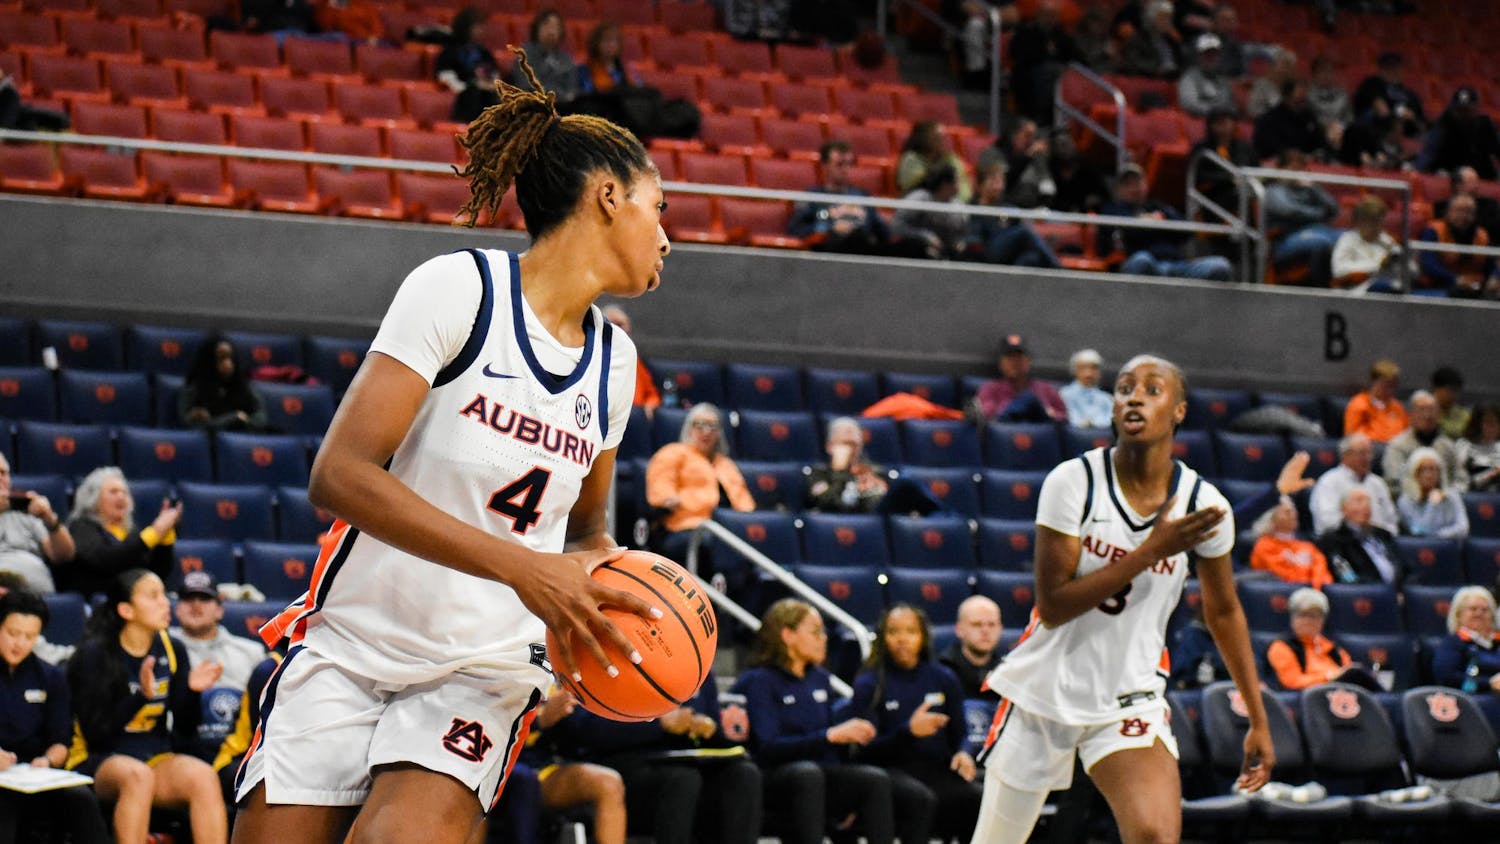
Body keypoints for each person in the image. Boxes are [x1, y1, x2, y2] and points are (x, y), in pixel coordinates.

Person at [229, 53, 667, 844]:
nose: (667, 238)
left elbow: (584, 535)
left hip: (485, 665)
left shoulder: (616, 362)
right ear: (608, 196)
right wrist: (522, 566)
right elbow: (339, 476)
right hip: (355, 639)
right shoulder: (459, 289)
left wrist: (618, 620)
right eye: (657, 209)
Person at [971, 355, 1273, 844]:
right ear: (1113, 409)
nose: (1134, 396)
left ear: (1178, 411)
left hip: (1128, 695)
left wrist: (1258, 719)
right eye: (1125, 388)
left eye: (1153, 390)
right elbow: (1054, 605)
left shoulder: (1204, 504)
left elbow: (1223, 611)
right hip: (1045, 689)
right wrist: (1152, 549)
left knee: (1155, 835)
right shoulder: (1073, 482)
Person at [66, 568, 227, 844]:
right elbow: (96, 734)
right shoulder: (95, 654)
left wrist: (192, 692)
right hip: (94, 758)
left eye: (164, 595)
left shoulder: (172, 648)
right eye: (153, 597)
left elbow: (185, 730)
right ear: (126, 610)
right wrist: (140, 697)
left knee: (204, 777)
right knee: (137, 777)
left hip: (153, 755)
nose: (165, 603)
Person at [730, 599, 896, 844]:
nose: (824, 638)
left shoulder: (820, 678)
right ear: (788, 635)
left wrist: (848, 798)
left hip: (818, 772)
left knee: (873, 780)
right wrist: (829, 736)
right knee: (808, 774)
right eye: (815, 631)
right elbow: (768, 747)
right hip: (773, 775)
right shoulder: (758, 681)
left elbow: (831, 752)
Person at [541, 672, 762, 844]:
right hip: (625, 761)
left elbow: (714, 728)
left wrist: (708, 729)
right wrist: (659, 725)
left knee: (744, 774)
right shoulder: (608, 657)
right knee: (683, 779)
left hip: (686, 760)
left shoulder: (697, 662)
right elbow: (584, 729)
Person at [849, 604, 982, 844]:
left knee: (977, 796)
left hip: (936, 769)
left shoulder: (944, 678)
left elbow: (961, 734)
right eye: (893, 632)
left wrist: (964, 753)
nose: (902, 639)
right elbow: (866, 751)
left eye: (910, 631)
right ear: (883, 637)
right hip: (890, 770)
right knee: (921, 799)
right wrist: (908, 732)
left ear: (923, 636)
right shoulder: (870, 683)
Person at [0, 589, 110, 844]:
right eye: (12, 633)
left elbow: (61, 741)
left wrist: (48, 761)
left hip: (34, 776)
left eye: (29, 636)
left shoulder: (50, 677)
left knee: (81, 799)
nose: (19, 643)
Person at [168, 571, 268, 763]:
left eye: (205, 598)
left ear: (220, 610)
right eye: (188, 598)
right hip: (181, 750)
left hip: (241, 751)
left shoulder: (252, 652)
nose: (196, 605)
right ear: (177, 609)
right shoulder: (162, 649)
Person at [645, 403, 755, 562]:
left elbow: (745, 503)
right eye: (700, 425)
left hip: (728, 529)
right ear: (689, 428)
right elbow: (661, 493)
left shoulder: (726, 464)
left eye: (712, 426)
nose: (706, 431)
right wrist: (667, 499)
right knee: (719, 543)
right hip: (686, 528)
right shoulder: (673, 453)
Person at [1097, 163, 1233, 281]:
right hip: (1147, 265)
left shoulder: (1159, 207)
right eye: (1128, 184)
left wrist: (1158, 220)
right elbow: (1122, 232)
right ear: (1119, 189)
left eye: (1137, 182)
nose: (1134, 188)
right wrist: (1147, 222)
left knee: (1220, 266)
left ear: (1145, 185)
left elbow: (1186, 231)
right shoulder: (1113, 209)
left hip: (1177, 265)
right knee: (1141, 260)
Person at [787, 140, 921, 258]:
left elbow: (882, 232)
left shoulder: (862, 196)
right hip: (830, 248)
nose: (845, 169)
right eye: (839, 164)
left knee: (915, 246)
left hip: (864, 246)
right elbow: (796, 230)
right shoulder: (812, 196)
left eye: (848, 164)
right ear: (825, 166)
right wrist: (829, 222)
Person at [64, 467, 179, 597]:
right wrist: (154, 533)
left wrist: (165, 536)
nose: (121, 496)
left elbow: (156, 572)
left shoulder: (132, 532)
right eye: (113, 492)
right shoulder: (81, 527)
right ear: (93, 498)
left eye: (125, 492)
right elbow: (106, 560)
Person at [1264, 587, 1369, 691]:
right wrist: (1329, 677)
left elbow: (1349, 673)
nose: (1309, 621)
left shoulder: (1332, 648)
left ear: (1323, 620)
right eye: (1303, 615)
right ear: (1293, 617)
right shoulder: (1281, 646)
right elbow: (1292, 682)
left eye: (1315, 616)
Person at [1263, 148, 1341, 286]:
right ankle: (1321, 291)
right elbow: (1290, 212)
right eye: (1291, 167)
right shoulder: (1274, 190)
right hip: (1286, 238)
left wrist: (1314, 188)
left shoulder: (1309, 189)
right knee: (1321, 242)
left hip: (1318, 230)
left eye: (1299, 168)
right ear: (1280, 169)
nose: (1295, 172)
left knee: (1349, 237)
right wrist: (1319, 214)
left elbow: (1333, 208)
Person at [0, 451, 73, 594]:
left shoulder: (27, 510)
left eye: (3, 473)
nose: (0, 478)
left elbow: (63, 555)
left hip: (36, 594)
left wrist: (49, 519)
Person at [962, 161, 1059, 268]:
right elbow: (973, 239)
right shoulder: (974, 208)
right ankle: (1059, 269)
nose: (998, 186)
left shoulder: (1007, 208)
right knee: (1024, 232)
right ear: (981, 185)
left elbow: (1018, 230)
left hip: (1008, 254)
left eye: (1001, 181)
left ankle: (1010, 283)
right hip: (987, 251)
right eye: (993, 180)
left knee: (1032, 257)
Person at [1309, 432, 1399, 536]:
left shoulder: (1378, 483)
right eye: (1362, 453)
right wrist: (1357, 526)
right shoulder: (1329, 482)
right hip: (1342, 542)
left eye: (1369, 453)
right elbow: (1326, 522)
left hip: (1377, 542)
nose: (1367, 458)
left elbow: (1392, 523)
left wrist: (1377, 530)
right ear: (1345, 455)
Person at [1316, 488, 1406, 585]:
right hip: (1364, 592)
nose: (1366, 505)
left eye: (1368, 502)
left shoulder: (1384, 534)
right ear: (1344, 509)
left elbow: (1404, 566)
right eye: (1359, 501)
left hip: (1398, 590)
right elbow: (1345, 574)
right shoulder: (1333, 539)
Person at [178, 334, 268, 432]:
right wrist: (234, 419)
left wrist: (248, 423)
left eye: (230, 358)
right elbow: (189, 423)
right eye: (221, 358)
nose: (227, 364)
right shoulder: (194, 390)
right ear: (209, 361)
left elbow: (261, 418)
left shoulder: (244, 386)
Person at [1382, 390, 1466, 495]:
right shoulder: (1398, 445)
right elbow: (1393, 480)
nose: (1427, 415)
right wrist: (1421, 495)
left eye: (1432, 410)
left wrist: (1447, 495)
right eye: (1421, 410)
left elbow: (1462, 479)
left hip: (1444, 501)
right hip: (1408, 503)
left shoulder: (1448, 446)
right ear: (1411, 415)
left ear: (1439, 415)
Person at [1417, 193, 1499, 298]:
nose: (1464, 216)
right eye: (1459, 211)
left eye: (1469, 212)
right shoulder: (1434, 231)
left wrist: (1494, 277)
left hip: (1475, 288)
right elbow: (1429, 264)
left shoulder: (1482, 236)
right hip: (1441, 286)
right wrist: (1456, 279)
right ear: (1448, 212)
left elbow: (1492, 265)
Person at [1008, 0, 1078, 123]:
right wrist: (1044, 54)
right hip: (1029, 76)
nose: (1050, 19)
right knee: (1050, 72)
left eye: (1053, 15)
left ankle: (1066, 121)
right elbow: (1018, 54)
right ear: (1038, 15)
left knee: (1069, 76)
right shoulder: (1026, 32)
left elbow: (1075, 57)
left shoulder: (1062, 35)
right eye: (1047, 14)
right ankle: (1042, 116)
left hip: (1059, 76)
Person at [975, 334, 1067, 423]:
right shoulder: (990, 388)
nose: (1015, 363)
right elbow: (987, 413)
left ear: (1028, 362)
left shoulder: (1046, 389)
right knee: (1027, 399)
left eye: (1019, 358)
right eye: (1010, 358)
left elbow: (1064, 416)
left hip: (1039, 432)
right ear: (1001, 363)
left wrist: (1051, 413)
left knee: (1030, 399)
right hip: (1006, 431)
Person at [805, 417, 888, 514]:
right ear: (830, 446)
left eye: (854, 444)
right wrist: (839, 472)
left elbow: (876, 508)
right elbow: (828, 506)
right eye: (845, 443)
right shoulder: (817, 474)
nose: (851, 450)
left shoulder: (873, 473)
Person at [1417, 86, 1500, 181]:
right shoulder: (1445, 124)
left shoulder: (1485, 125)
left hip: (1482, 179)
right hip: (1453, 180)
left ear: (1476, 109)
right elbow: (1429, 153)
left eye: (1467, 110)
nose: (1463, 115)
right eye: (1459, 110)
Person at [436, 7, 503, 124]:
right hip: (464, 95)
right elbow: (445, 74)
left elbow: (494, 74)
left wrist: (491, 84)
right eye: (478, 26)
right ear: (466, 27)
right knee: (473, 94)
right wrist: (466, 87)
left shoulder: (484, 53)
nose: (482, 30)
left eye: (482, 26)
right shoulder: (451, 50)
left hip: (485, 94)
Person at [1248, 497, 1333, 588]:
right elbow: (1281, 576)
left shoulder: (1308, 547)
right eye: (1287, 512)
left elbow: (1324, 575)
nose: (1293, 515)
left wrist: (1316, 587)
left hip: (1312, 593)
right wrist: (1309, 584)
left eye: (1293, 510)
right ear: (1271, 518)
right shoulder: (1264, 546)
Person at [1431, 586, 1500, 695]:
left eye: (1485, 610)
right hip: (1473, 700)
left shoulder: (1497, 640)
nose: (1479, 613)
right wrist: (1489, 683)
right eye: (1473, 609)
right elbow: (1446, 676)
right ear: (1458, 615)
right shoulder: (1453, 643)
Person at [893, 164, 971, 260]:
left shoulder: (959, 207)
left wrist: (960, 242)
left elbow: (962, 234)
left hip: (946, 251)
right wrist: (926, 237)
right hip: (917, 248)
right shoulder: (919, 198)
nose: (959, 185)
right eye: (957, 181)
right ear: (945, 184)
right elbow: (897, 226)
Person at [1330, 195, 1405, 292]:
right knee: (1381, 286)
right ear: (1360, 222)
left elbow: (1412, 272)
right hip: (1355, 290)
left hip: (1389, 288)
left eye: (1380, 221)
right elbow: (1339, 270)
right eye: (1373, 222)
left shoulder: (1388, 240)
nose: (1378, 226)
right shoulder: (1347, 240)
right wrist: (1378, 265)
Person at [939, 595, 1003, 701]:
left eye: (991, 625)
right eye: (977, 624)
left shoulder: (1007, 671)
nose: (985, 631)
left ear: (1000, 629)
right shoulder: (943, 670)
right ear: (959, 629)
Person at [1396, 448, 1469, 540]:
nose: (1428, 475)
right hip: (1420, 550)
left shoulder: (1452, 496)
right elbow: (1420, 532)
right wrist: (1432, 504)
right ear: (1414, 473)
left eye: (1432, 469)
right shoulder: (1405, 501)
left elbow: (1463, 528)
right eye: (1422, 470)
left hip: (1449, 548)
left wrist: (1438, 535)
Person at [601, 305, 659, 418]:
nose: (621, 330)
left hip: (634, 420)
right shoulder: (590, 357)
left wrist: (650, 405)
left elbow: (652, 394)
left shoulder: (633, 359)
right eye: (615, 324)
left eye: (623, 325)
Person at [512, 9, 579, 106]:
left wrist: (564, 97)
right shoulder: (524, 54)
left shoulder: (565, 58)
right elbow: (526, 85)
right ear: (537, 29)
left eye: (556, 27)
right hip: (534, 105)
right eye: (546, 25)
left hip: (562, 105)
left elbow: (572, 87)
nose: (551, 30)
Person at [1353, 52, 1425, 139]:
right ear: (1381, 70)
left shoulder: (1409, 94)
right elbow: (1381, 110)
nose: (1395, 72)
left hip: (1409, 134)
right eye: (1389, 68)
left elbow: (1421, 122)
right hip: (1379, 132)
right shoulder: (1372, 84)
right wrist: (1400, 113)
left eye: (1397, 68)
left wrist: (1413, 119)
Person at [896, 122, 972, 203]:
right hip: (921, 206)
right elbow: (916, 188)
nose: (945, 141)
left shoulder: (952, 160)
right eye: (939, 138)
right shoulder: (911, 159)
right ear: (926, 140)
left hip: (951, 206)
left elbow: (963, 186)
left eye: (945, 137)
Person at [1343, 358, 1408, 443]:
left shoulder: (1397, 406)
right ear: (1373, 382)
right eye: (1386, 386)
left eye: (1393, 386)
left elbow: (1407, 433)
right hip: (1371, 449)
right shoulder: (1359, 404)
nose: (1390, 390)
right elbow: (1352, 436)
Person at [1177, 33, 1236, 118]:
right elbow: (1190, 104)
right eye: (1207, 54)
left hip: (1221, 122)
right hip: (1197, 121)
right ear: (1198, 55)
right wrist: (1216, 112)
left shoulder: (1222, 79)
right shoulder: (1189, 78)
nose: (1211, 57)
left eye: (1214, 54)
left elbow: (1229, 103)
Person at [1120, 0, 1182, 79]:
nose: (1167, 22)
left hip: (1175, 79)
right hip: (1152, 79)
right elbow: (1133, 62)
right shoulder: (1138, 39)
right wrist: (1156, 69)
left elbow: (1182, 61)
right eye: (1162, 18)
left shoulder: (1172, 40)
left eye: (1169, 18)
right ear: (1151, 18)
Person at [1059, 348, 1113, 430]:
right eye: (1083, 368)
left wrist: (1094, 423)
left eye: (1094, 368)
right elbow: (1072, 419)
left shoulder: (1106, 398)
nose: (1088, 373)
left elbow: (1113, 420)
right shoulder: (1064, 395)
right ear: (1075, 370)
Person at [1458, 403, 1500, 493]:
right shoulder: (1464, 446)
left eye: (1497, 423)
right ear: (1477, 424)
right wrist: (1491, 475)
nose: (1494, 427)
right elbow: (1461, 484)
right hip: (1473, 498)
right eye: (1489, 422)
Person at [1431, 366, 1472, 441]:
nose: (1454, 395)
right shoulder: (1424, 412)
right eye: (1450, 390)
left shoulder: (1464, 415)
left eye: (1457, 391)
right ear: (1436, 388)